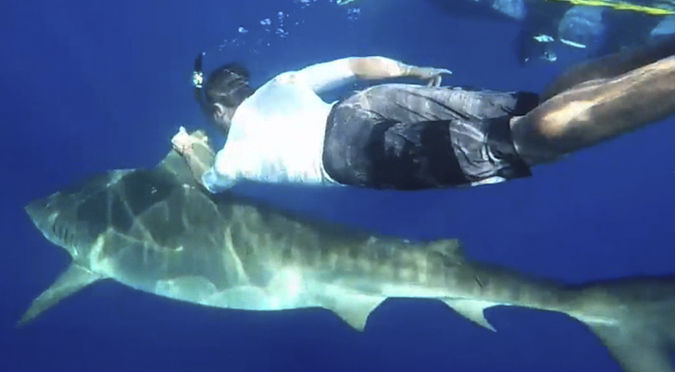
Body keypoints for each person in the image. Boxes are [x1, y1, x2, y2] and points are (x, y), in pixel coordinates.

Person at [172, 40, 674, 192]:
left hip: (347, 154)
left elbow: (212, 183)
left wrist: (189, 149)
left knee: (532, 137)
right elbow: (358, 66)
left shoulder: (234, 150)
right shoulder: (285, 84)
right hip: (366, 104)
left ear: (220, 110)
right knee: (538, 104)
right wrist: (414, 69)